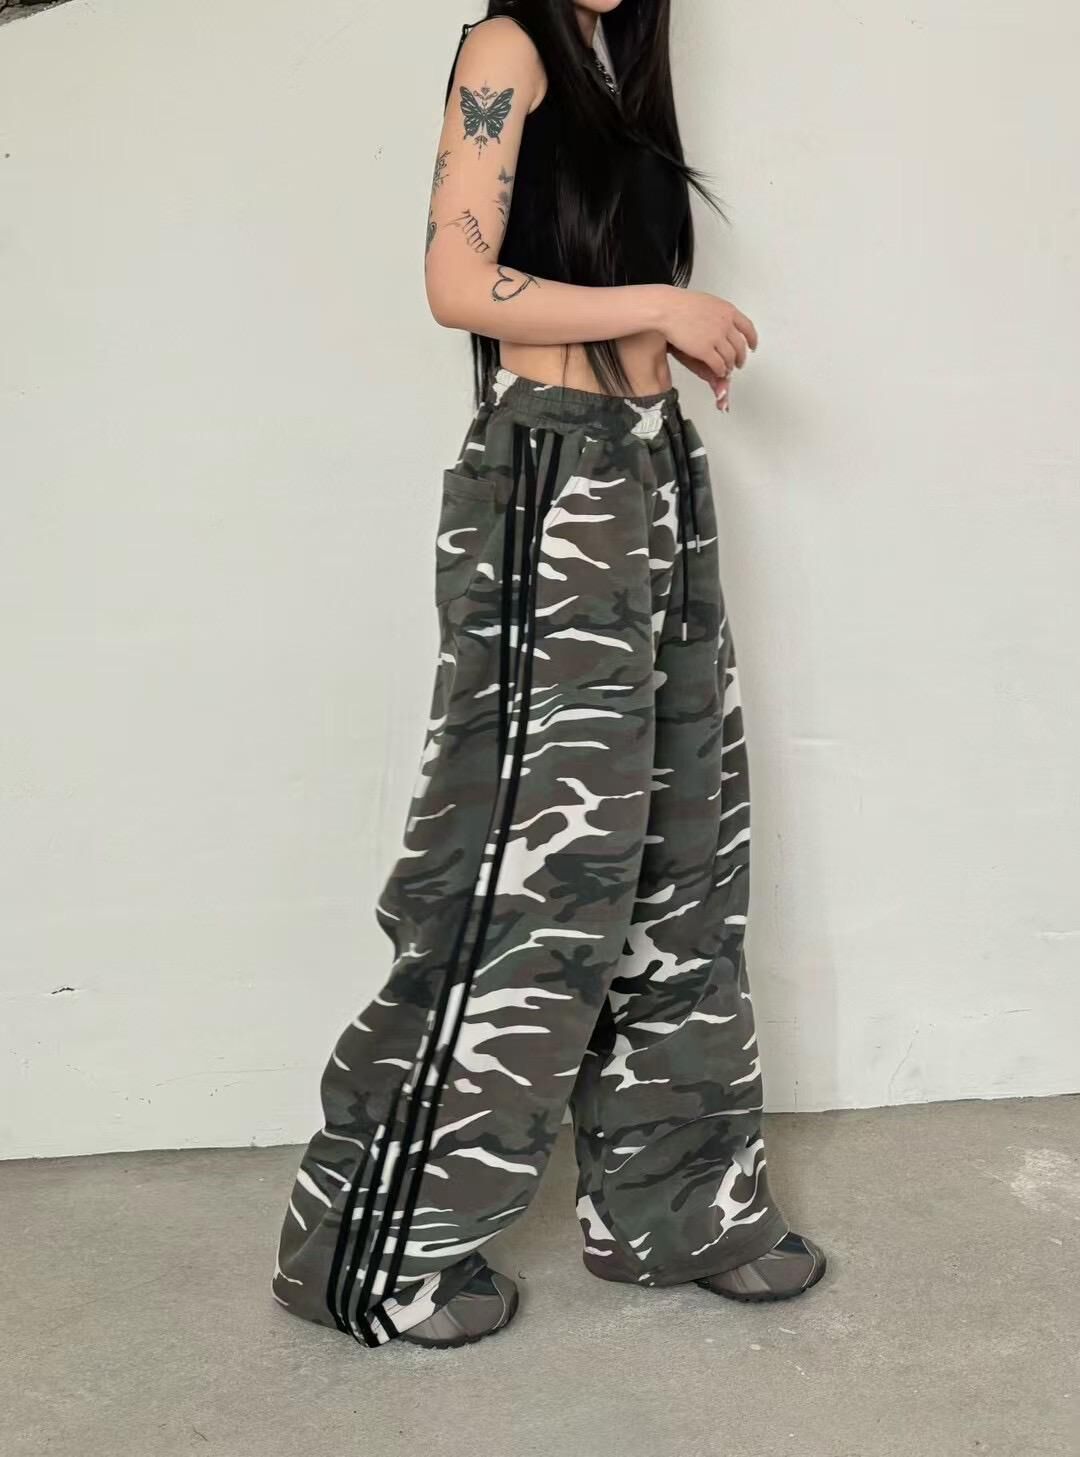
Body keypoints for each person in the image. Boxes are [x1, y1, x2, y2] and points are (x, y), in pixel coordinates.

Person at [271, 0, 826, 1351]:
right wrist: (661, 304)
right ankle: (367, 1250)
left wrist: (657, 350)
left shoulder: (612, 66)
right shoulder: (506, 46)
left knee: (684, 860)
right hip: (551, 480)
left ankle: (678, 1211)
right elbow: (456, 283)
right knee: (522, 876)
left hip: (650, 463)